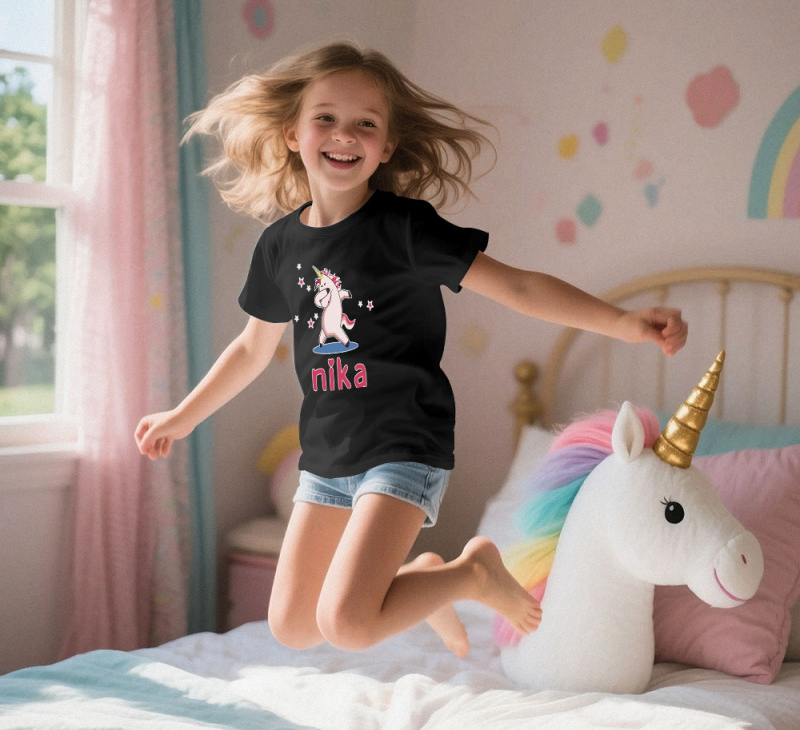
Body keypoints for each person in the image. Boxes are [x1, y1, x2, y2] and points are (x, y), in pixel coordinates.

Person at [135, 42, 687, 658]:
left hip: (403, 445)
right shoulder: (279, 245)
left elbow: (519, 286)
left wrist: (622, 323)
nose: (345, 134)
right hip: (326, 457)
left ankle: (471, 575)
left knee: (347, 623)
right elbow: (250, 349)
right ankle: (432, 579)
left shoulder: (404, 228)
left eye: (365, 124)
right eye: (326, 118)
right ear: (293, 133)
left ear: (387, 146)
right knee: (294, 626)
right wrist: (181, 416)